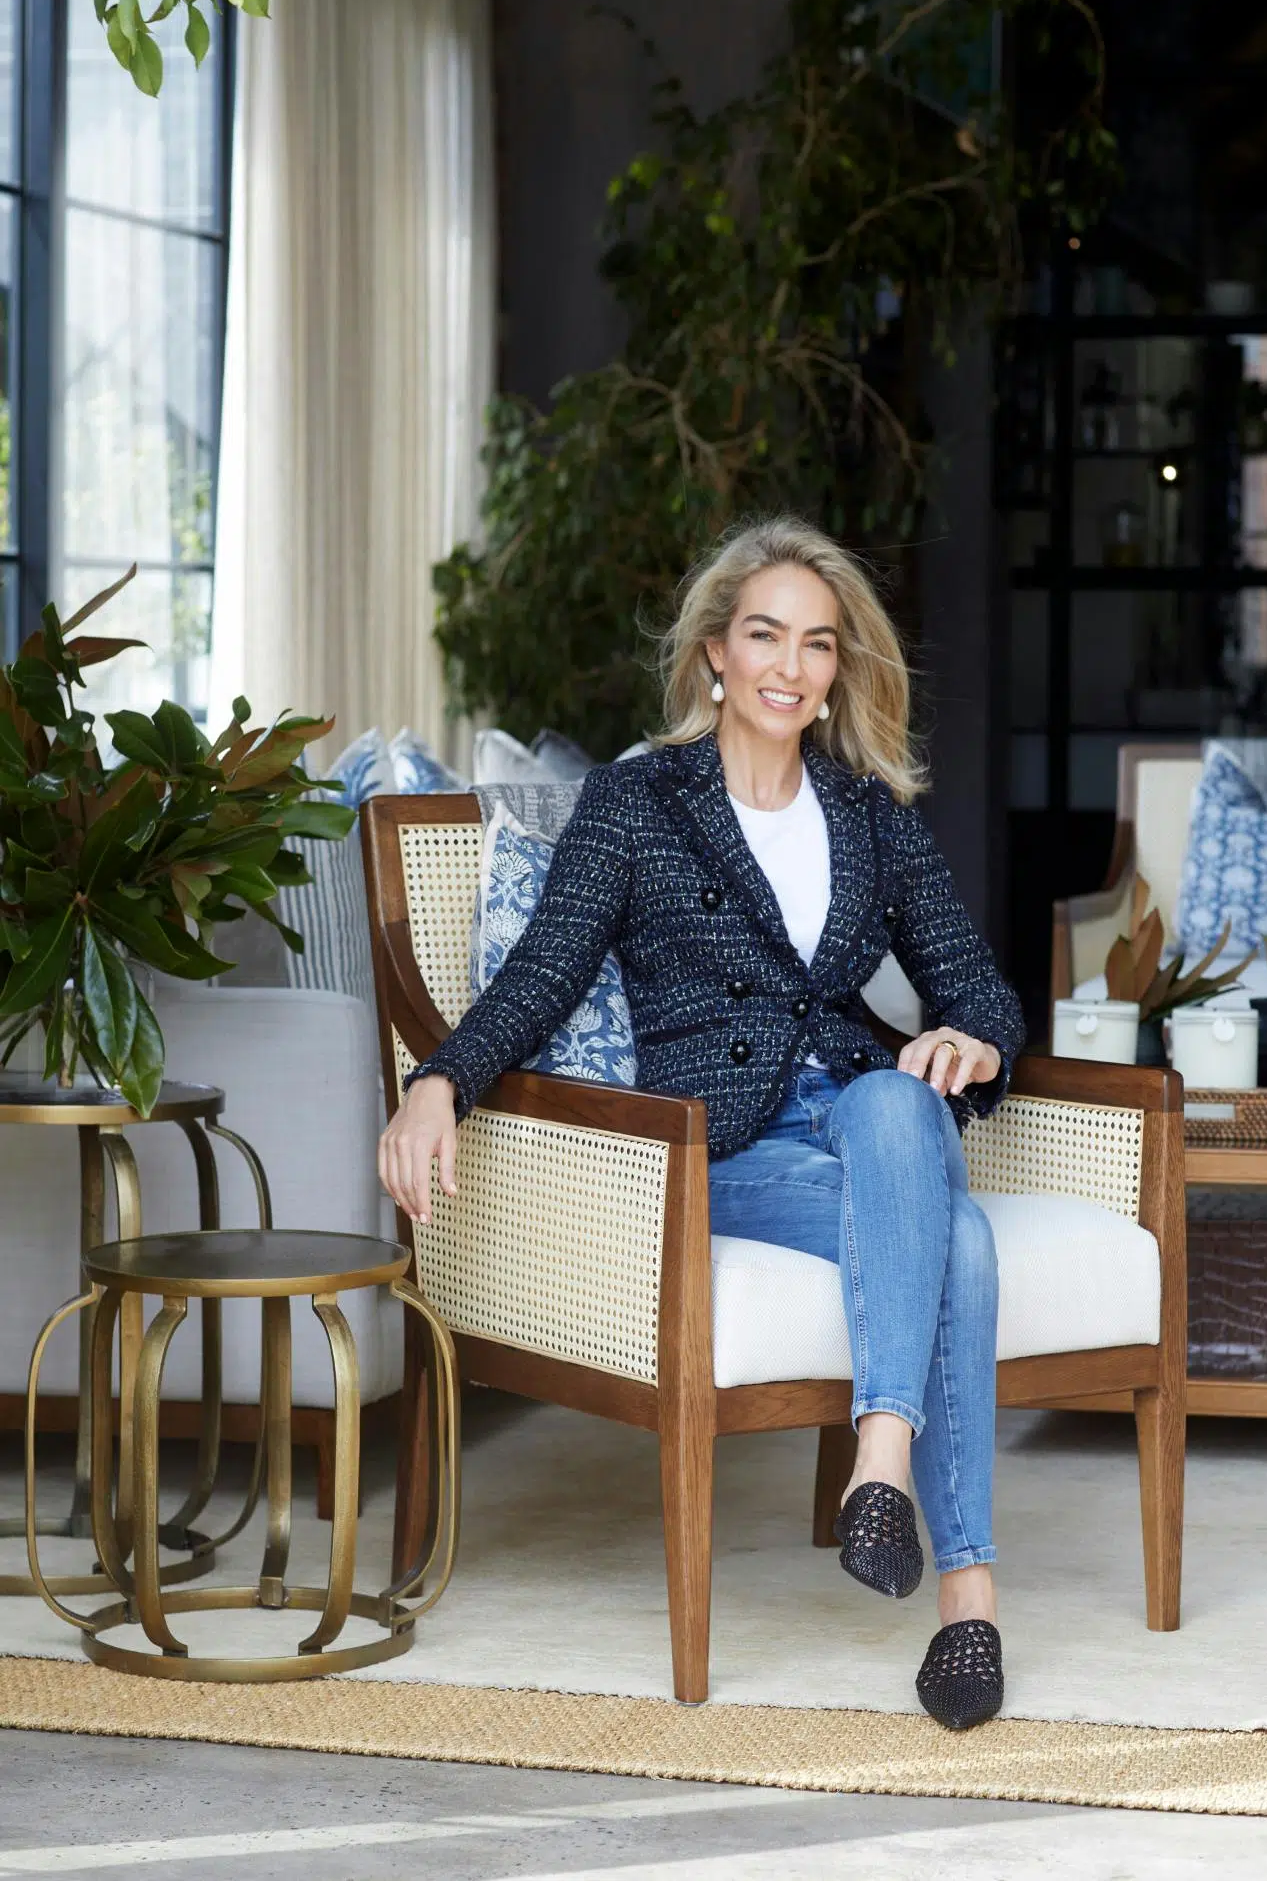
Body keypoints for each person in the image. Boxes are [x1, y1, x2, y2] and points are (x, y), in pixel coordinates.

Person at [379, 514, 1025, 1730]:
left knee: (899, 1095)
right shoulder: (638, 802)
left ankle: (878, 1466)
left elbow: (981, 992)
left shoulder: (870, 813)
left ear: (838, 669)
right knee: (967, 1244)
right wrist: (437, 1082)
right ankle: (969, 1604)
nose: (791, 666)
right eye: (766, 635)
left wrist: (973, 1043)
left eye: (818, 644)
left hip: (867, 1122)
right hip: (720, 1149)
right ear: (717, 652)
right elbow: (543, 972)